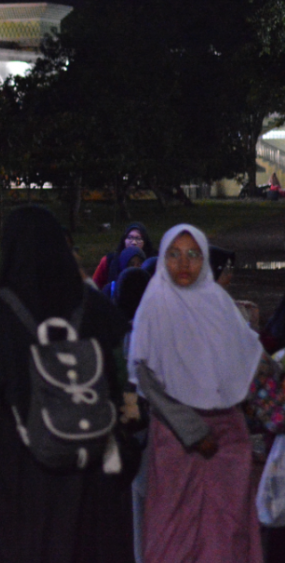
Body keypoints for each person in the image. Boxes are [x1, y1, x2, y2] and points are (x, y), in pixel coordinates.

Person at [0, 205, 133, 563]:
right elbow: (118, 374)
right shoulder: (93, 305)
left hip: (24, 465)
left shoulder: (1, 310)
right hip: (90, 462)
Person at [129, 223, 264, 563]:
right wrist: (190, 429)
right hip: (178, 438)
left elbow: (248, 358)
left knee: (227, 529)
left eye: (193, 255)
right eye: (174, 255)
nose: (184, 264)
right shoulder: (156, 304)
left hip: (227, 438)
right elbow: (147, 378)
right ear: (162, 259)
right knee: (176, 531)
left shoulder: (217, 302)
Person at [92, 222, 152, 290]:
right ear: (124, 240)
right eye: (130, 238)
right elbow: (94, 288)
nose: (134, 242)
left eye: (138, 239)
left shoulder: (153, 263)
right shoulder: (109, 261)